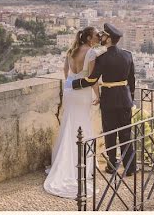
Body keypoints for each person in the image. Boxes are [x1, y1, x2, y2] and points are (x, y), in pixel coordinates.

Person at [43, 26, 106, 198]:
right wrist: (98, 96)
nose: (97, 37)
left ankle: (64, 162)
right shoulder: (91, 53)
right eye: (95, 35)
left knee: (69, 125)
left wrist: (69, 83)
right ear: (88, 38)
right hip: (82, 92)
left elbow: (66, 71)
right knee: (82, 124)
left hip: (70, 90)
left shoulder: (71, 51)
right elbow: (92, 79)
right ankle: (82, 164)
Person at [72, 23, 136, 175]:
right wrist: (130, 98)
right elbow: (132, 81)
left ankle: (112, 166)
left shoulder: (102, 57)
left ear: (108, 39)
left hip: (109, 100)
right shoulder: (128, 55)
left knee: (110, 134)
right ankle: (130, 167)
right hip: (125, 99)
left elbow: (92, 79)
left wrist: (74, 84)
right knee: (126, 133)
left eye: (104, 36)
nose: (101, 37)